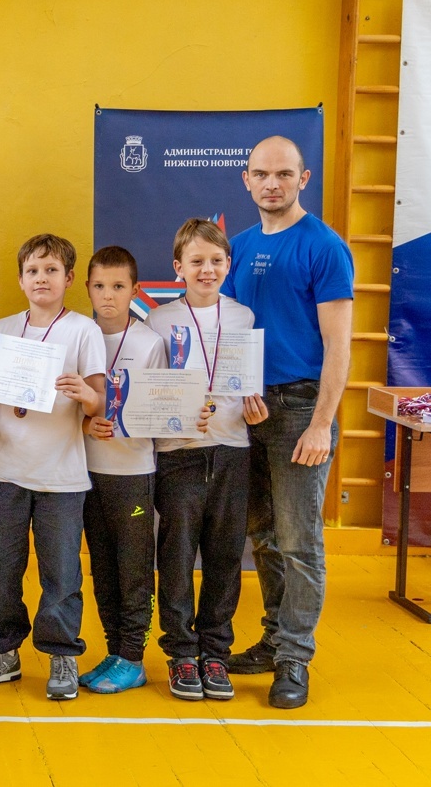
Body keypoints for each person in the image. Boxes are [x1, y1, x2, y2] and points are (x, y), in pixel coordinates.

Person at [224, 136, 355, 709]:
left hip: (301, 408)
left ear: (303, 179)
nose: (271, 183)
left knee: (300, 541)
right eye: (261, 174)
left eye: (283, 174)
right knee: (264, 536)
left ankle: (295, 658)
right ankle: (275, 639)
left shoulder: (324, 247)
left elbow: (339, 345)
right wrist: (237, 393)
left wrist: (322, 422)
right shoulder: (237, 246)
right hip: (249, 409)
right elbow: (228, 334)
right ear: (247, 180)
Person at [0, 234, 105, 700]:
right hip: (7, 473)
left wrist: (85, 394)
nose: (42, 278)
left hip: (63, 477)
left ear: (69, 278)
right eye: (33, 271)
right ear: (20, 280)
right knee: (1, 570)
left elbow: (99, 402)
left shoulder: (83, 330)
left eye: (51, 270)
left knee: (61, 573)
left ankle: (62, 653)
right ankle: (2, 652)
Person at [146, 220, 265, 701]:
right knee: (176, 555)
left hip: (233, 449)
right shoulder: (157, 322)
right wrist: (174, 414)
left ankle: (215, 650)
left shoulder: (243, 317)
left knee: (225, 555)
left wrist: (255, 409)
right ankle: (181, 653)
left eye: (216, 261)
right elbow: (151, 394)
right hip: (180, 455)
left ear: (228, 265)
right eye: (196, 261)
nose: (206, 269)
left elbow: (249, 383)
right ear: (178, 267)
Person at [78, 246, 168, 694]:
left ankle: (134, 657)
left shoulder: (150, 343)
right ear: (87, 288)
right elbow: (69, 408)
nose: (108, 296)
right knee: (102, 567)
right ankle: (116, 651)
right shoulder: (80, 337)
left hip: (133, 474)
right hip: (86, 474)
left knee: (133, 569)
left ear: (135, 290)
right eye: (99, 286)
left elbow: (162, 410)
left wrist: (124, 421)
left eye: (118, 286)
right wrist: (86, 422)